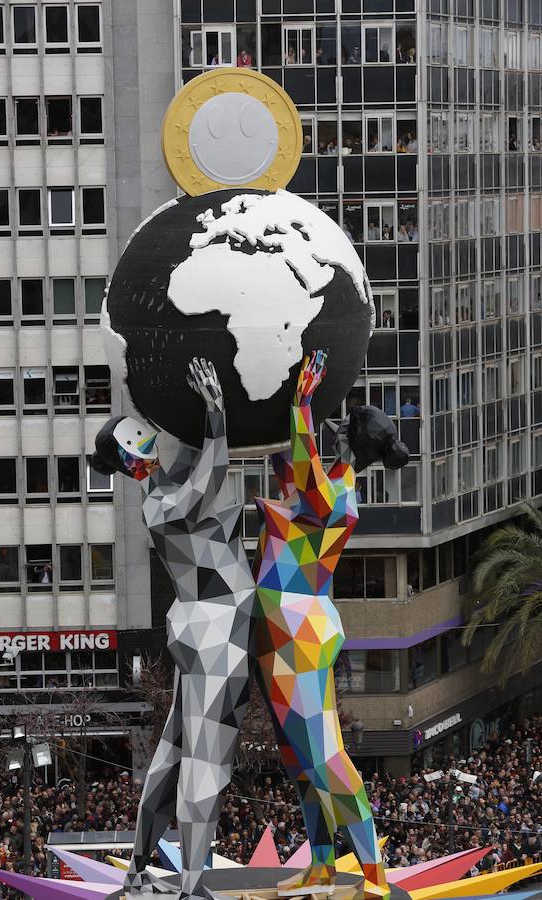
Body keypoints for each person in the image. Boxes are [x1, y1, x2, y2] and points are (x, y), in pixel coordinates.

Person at [92, 358, 254, 900]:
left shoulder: (161, 489)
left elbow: (196, 465)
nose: (148, 439)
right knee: (205, 757)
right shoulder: (161, 506)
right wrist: (216, 414)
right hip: (217, 624)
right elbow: (212, 475)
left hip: (204, 625)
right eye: (138, 437)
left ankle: (140, 872)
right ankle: (190, 884)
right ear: (132, 457)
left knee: (174, 751)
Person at [253, 352, 407, 899]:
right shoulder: (319, 482)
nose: (331, 427)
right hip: (278, 630)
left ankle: (372, 875)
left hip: (298, 631)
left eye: (340, 426)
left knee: (323, 755)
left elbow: (304, 470)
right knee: (298, 758)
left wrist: (300, 404)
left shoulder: (338, 497)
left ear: (351, 443)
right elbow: (288, 461)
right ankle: (322, 864)